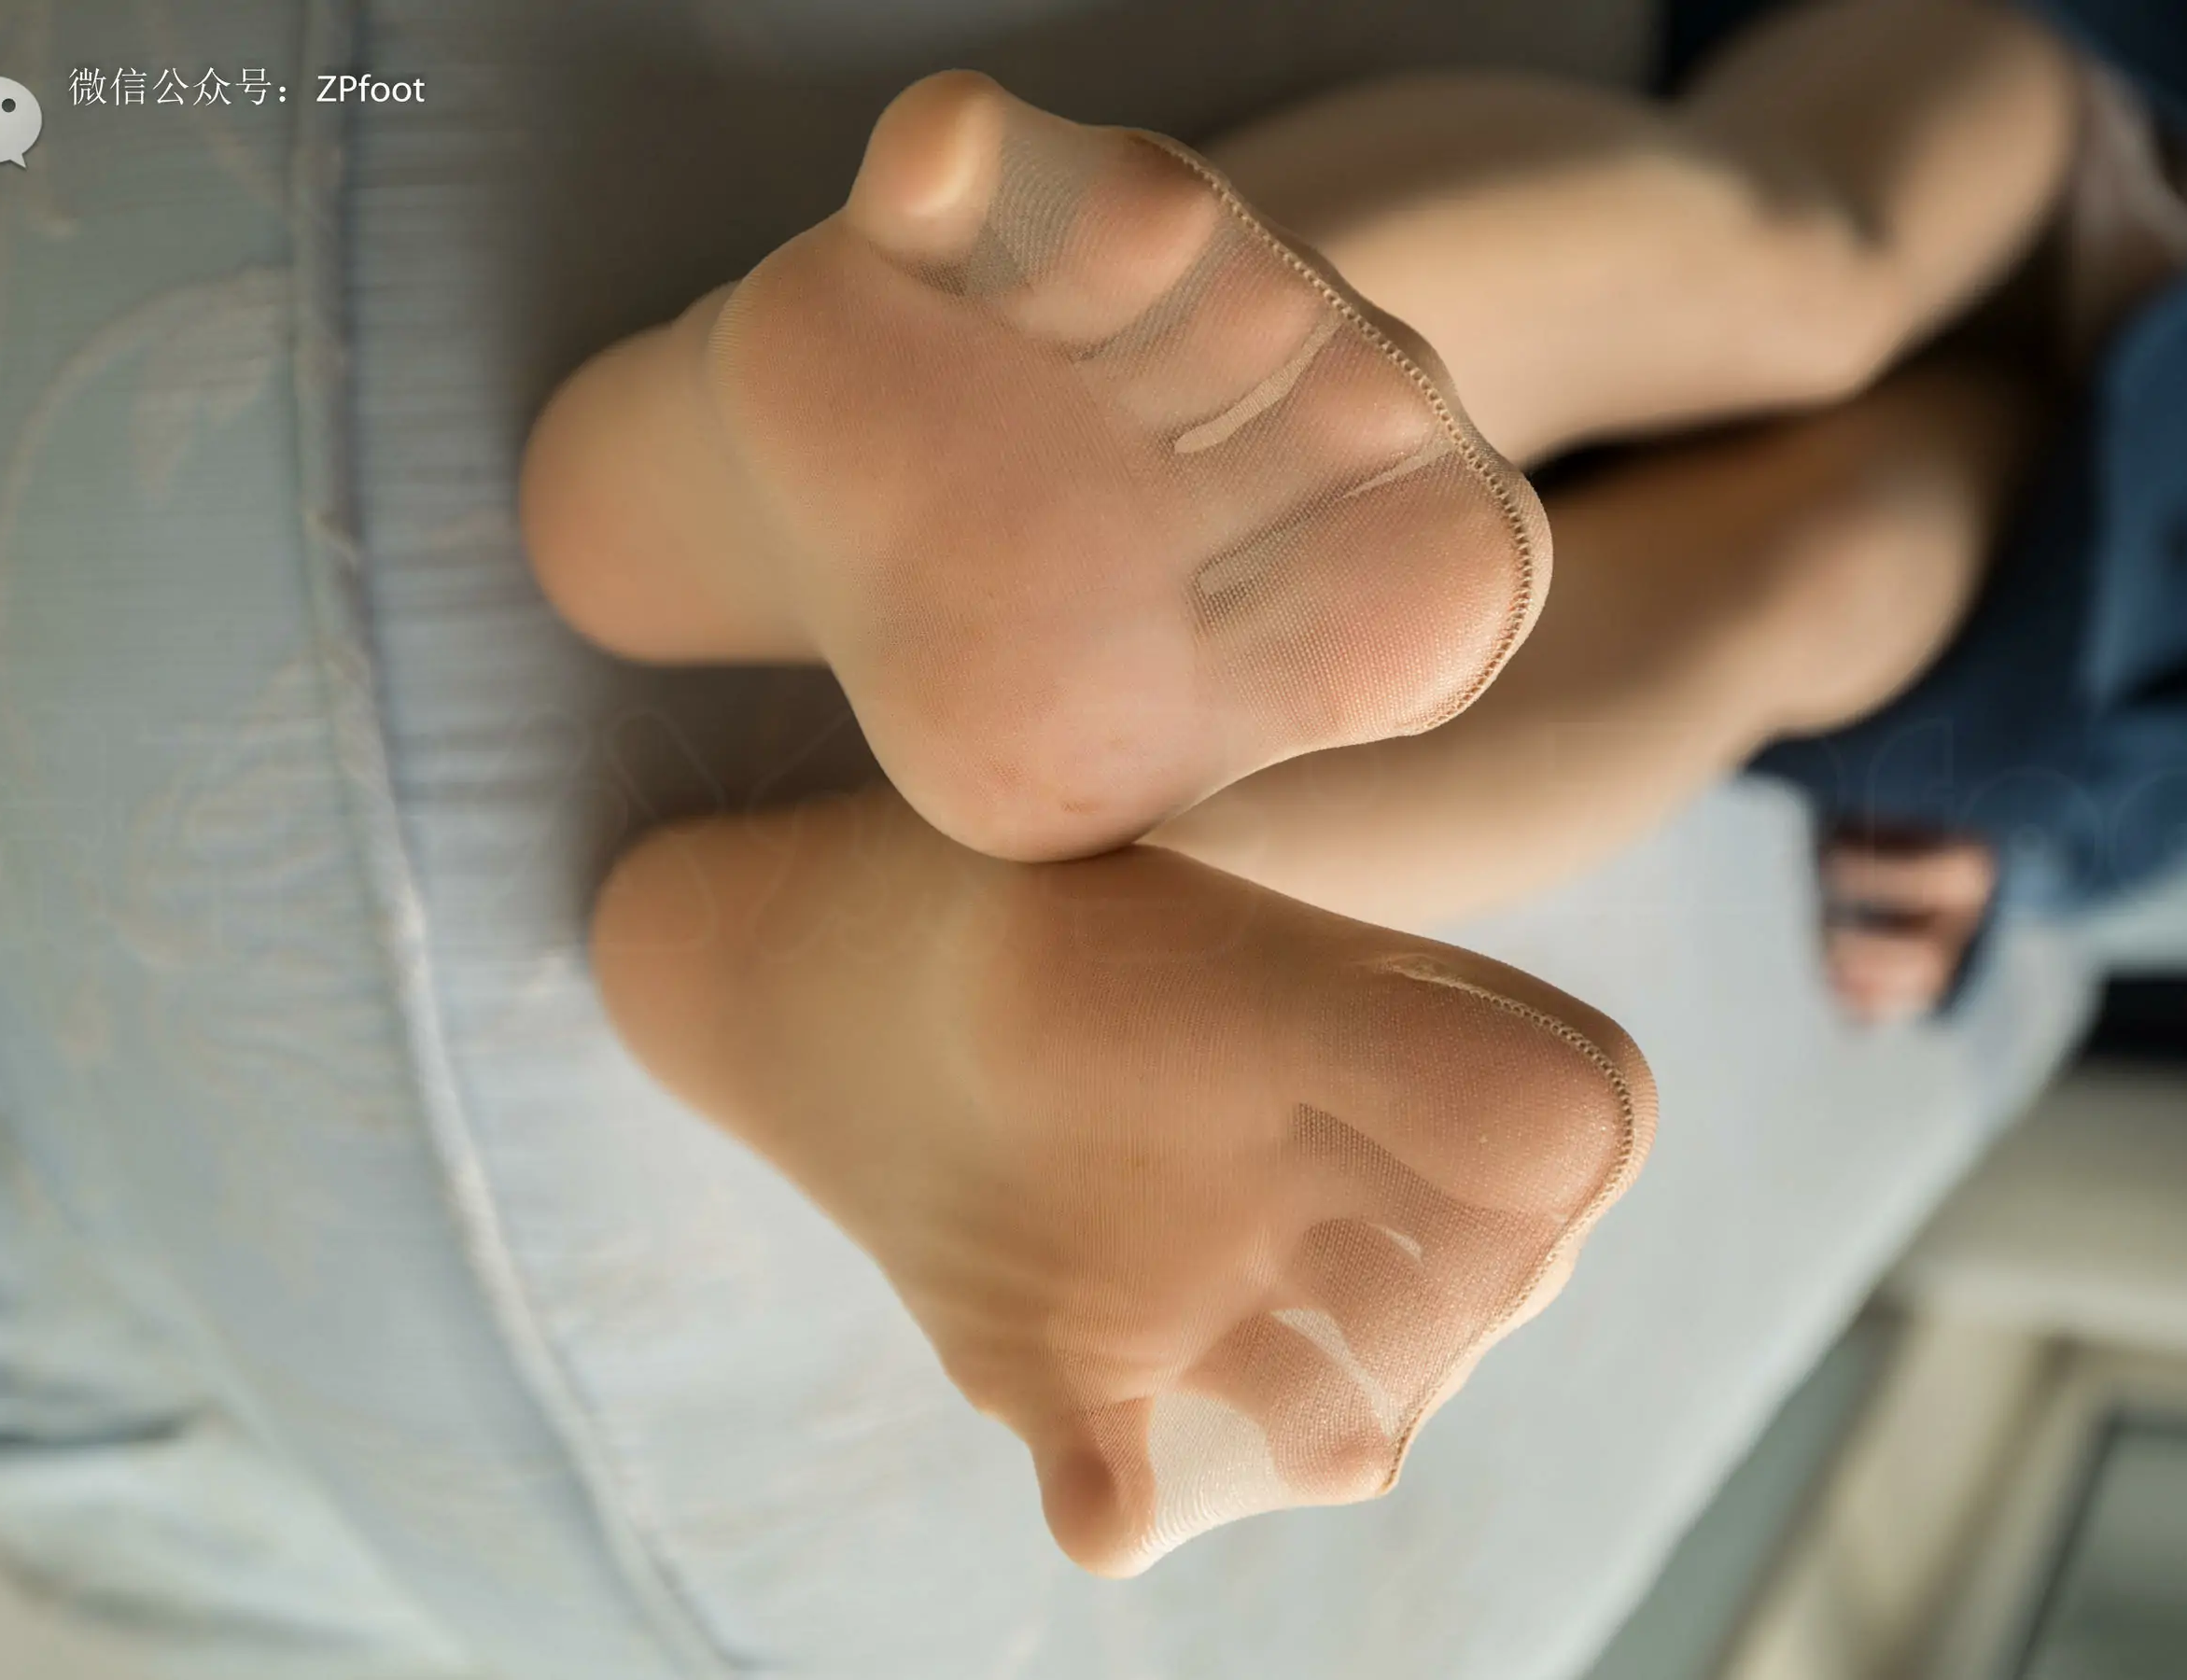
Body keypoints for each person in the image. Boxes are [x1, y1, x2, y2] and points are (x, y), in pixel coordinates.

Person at [517, 0, 2081, 1573]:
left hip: (2136, 617)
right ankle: (813, 921)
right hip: (2160, 152)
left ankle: (740, 571)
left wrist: (2027, 834)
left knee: (1835, 537)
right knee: (1828, 279)